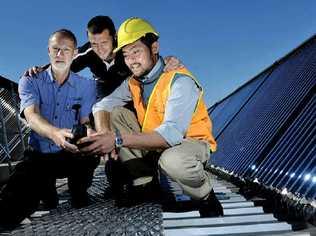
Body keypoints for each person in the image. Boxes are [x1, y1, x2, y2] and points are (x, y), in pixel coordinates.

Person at [79, 17, 223, 217]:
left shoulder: (179, 81)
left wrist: (116, 140)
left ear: (154, 47)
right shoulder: (134, 82)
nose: (131, 60)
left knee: (172, 161)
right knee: (116, 114)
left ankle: (206, 197)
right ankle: (145, 185)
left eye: (136, 51)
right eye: (126, 55)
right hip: (155, 143)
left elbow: (171, 135)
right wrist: (104, 133)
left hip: (189, 144)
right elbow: (102, 105)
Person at [0, 29, 100, 227]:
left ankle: (78, 190)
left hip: (71, 153)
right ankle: (46, 191)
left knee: (90, 154)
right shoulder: (30, 80)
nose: (60, 54)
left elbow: (84, 121)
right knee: (10, 209)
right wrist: (55, 134)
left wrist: (88, 133)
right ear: (48, 51)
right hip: (40, 155)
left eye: (65, 50)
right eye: (55, 49)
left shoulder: (87, 86)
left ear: (75, 52)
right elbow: (31, 115)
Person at [28, 15, 183, 100]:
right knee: (94, 107)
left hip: (128, 89)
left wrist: (168, 60)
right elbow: (63, 64)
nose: (99, 49)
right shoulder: (88, 52)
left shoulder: (125, 49)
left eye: (104, 42)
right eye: (94, 43)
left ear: (114, 37)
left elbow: (149, 59)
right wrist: (40, 70)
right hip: (103, 90)